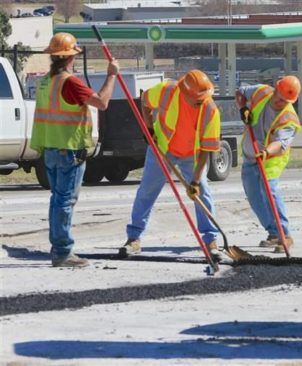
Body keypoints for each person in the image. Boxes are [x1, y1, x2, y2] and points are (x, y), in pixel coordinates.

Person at [30, 32, 119, 267]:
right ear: (71, 57)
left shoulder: (46, 82)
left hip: (50, 148)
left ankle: (58, 247)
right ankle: (62, 251)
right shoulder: (70, 82)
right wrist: (111, 76)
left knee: (57, 199)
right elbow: (102, 102)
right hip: (68, 150)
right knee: (65, 201)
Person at [120, 70, 222, 259]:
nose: (202, 103)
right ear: (185, 93)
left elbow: (207, 150)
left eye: (204, 98)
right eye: (198, 100)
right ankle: (133, 238)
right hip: (162, 150)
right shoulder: (167, 90)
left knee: (203, 193)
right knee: (146, 192)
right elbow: (145, 101)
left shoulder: (210, 111)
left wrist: (196, 181)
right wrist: (149, 129)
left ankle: (210, 240)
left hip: (192, 156)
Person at [235, 75, 302, 253]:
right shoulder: (261, 91)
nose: (281, 103)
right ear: (275, 89)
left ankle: (285, 235)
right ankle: (273, 233)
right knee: (254, 196)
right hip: (250, 157)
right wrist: (243, 108)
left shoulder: (289, 118)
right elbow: (240, 92)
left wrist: (265, 152)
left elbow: (280, 144)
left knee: (269, 193)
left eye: (286, 101)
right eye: (279, 98)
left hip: (270, 160)